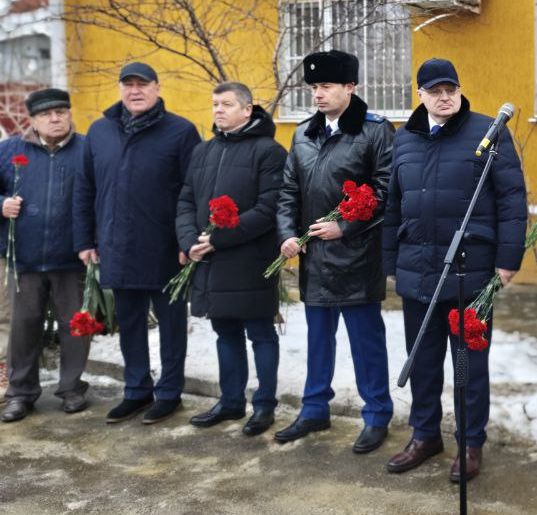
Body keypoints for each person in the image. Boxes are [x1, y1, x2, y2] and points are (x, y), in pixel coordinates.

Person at [382, 59, 528, 482]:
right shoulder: (404, 139)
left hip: (471, 271)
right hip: (417, 270)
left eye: (451, 89)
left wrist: (507, 260)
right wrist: (390, 262)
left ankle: (470, 443)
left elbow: (512, 200)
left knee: (467, 365)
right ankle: (425, 435)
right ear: (421, 95)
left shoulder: (489, 132)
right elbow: (393, 204)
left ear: (460, 91)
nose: (445, 97)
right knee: (423, 361)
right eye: (435, 90)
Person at [275, 50, 395, 454]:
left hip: (357, 258)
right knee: (318, 341)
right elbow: (288, 190)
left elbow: (384, 192)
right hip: (314, 260)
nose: (318, 95)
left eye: (326, 87)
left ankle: (377, 415)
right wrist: (287, 236)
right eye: (314, 88)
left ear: (350, 87)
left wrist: (344, 227)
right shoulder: (303, 133)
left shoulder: (376, 132)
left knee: (366, 343)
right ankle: (314, 410)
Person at [73, 62, 200, 425]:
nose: (135, 91)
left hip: (166, 247)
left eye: (142, 84)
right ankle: (136, 390)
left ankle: (170, 393)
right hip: (118, 245)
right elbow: (85, 189)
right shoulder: (99, 132)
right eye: (128, 85)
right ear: (120, 90)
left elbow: (193, 191)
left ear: (158, 88)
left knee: (172, 325)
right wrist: (85, 240)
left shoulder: (180, 131)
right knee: (129, 323)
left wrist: (186, 240)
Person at [176, 82, 287, 437]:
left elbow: (269, 208)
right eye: (214, 104)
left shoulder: (268, 151)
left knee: (260, 333)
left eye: (226, 104)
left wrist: (217, 239)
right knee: (224, 332)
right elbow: (186, 200)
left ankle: (265, 406)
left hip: (249, 258)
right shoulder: (203, 151)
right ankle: (231, 401)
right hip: (210, 261)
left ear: (247, 109)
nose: (218, 110)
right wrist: (190, 240)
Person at [0, 89, 89, 420]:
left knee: (75, 326)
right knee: (24, 326)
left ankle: (71, 389)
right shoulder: (9, 151)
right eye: (47, 114)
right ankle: (21, 394)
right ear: (33, 120)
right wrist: (1, 205)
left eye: (61, 111)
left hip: (73, 257)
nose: (56, 118)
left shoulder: (86, 150)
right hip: (24, 258)